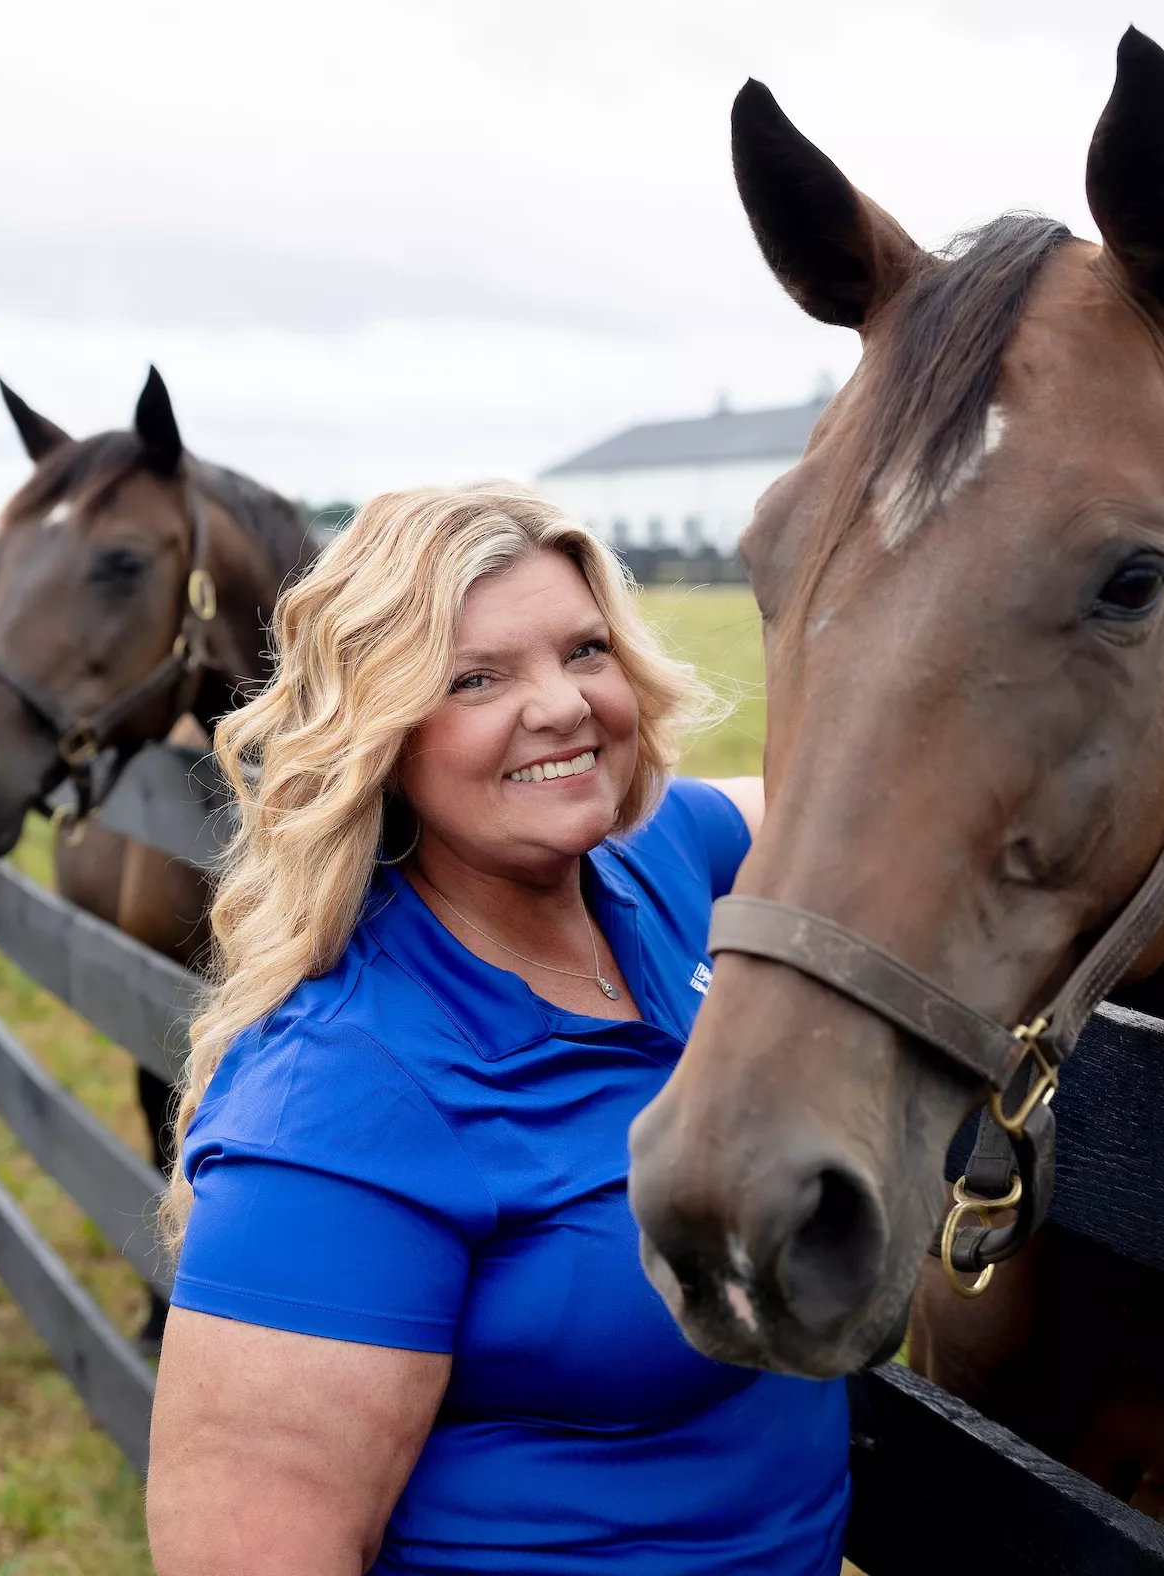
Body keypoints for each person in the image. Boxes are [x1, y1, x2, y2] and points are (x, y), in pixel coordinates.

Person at [145, 484, 850, 1575]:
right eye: (477, 678)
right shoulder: (345, 1100)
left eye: (584, 650)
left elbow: (840, 815)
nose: (563, 705)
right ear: (381, 734)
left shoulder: (654, 869)